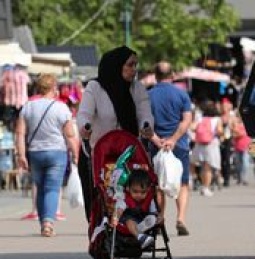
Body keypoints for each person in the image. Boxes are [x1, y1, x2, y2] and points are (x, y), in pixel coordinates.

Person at [76, 46, 158, 222]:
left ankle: (133, 229)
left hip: (128, 155)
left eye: (136, 65)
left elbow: (145, 113)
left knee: (134, 194)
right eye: (130, 65)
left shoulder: (137, 89)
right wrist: (85, 126)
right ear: (117, 65)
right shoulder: (95, 87)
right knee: (99, 198)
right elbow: (84, 114)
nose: (134, 70)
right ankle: (100, 233)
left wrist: (146, 126)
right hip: (98, 154)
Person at [15, 73, 79, 237]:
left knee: (40, 188)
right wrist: (76, 154)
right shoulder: (61, 107)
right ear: (53, 88)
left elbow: (20, 133)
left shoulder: (28, 107)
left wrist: (21, 155)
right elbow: (70, 135)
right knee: (52, 188)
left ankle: (43, 221)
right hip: (57, 153)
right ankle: (48, 223)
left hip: (35, 153)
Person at [148, 61, 192, 236]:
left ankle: (159, 218)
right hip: (179, 145)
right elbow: (186, 120)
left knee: (158, 185)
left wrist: (156, 140)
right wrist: (173, 139)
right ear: (172, 75)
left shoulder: (148, 95)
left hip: (155, 146)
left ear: (155, 76)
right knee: (182, 183)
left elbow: (143, 124)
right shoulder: (182, 95)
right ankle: (180, 218)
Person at [111, 169, 159, 249]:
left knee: (153, 219)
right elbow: (119, 209)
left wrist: (159, 217)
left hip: (142, 220)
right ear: (128, 188)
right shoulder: (125, 198)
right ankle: (139, 236)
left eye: (143, 192)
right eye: (135, 192)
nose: (139, 195)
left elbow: (154, 212)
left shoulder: (150, 199)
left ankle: (139, 230)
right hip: (127, 220)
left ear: (148, 190)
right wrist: (115, 217)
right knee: (130, 221)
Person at [191, 100, 223, 197]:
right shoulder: (217, 119)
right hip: (211, 144)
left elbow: (192, 127)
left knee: (197, 164)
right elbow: (219, 131)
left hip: (199, 144)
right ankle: (206, 187)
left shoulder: (200, 119)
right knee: (207, 167)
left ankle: (195, 179)